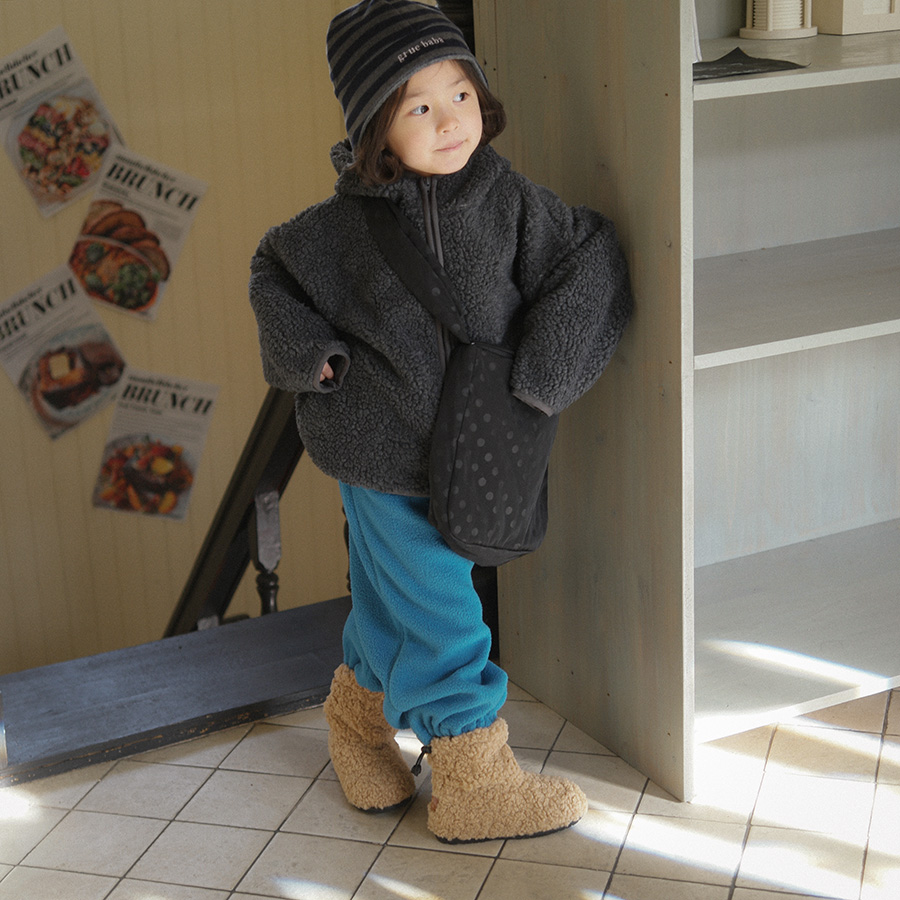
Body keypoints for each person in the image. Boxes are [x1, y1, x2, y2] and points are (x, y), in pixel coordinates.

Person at [248, 0, 632, 844]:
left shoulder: (507, 200)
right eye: (419, 106)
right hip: (377, 451)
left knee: (392, 607)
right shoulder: (334, 232)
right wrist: (312, 356)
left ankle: (356, 723)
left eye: (460, 94)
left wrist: (546, 373)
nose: (450, 119)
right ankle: (472, 779)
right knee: (442, 609)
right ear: (376, 129)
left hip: (478, 445)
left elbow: (590, 254)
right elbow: (272, 272)